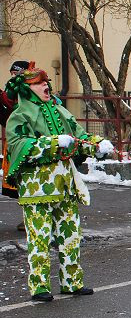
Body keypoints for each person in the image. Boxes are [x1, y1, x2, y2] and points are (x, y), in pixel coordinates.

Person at [4, 64, 115, 301]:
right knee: (39, 238)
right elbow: (19, 146)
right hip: (37, 188)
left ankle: (72, 283)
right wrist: (52, 143)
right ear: (27, 89)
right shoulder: (19, 115)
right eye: (39, 83)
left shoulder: (58, 109)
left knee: (70, 235)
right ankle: (40, 286)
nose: (46, 86)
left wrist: (97, 145)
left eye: (46, 82)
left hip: (65, 184)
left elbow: (77, 136)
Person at [2, 61, 30, 231]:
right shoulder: (12, 93)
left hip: (27, 140)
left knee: (26, 177)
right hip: (15, 140)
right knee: (19, 179)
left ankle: (31, 217)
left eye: (16, 74)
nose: (13, 77)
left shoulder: (30, 91)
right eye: (11, 74)